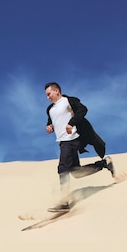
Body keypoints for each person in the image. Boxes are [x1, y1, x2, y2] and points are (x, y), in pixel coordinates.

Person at [44, 82, 115, 212]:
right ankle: (104, 164)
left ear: (57, 91)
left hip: (72, 139)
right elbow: (52, 121)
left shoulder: (68, 101)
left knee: (62, 168)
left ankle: (64, 202)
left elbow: (83, 110)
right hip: (63, 142)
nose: (47, 97)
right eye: (46, 95)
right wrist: (49, 127)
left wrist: (71, 123)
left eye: (49, 94)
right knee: (76, 172)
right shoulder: (50, 109)